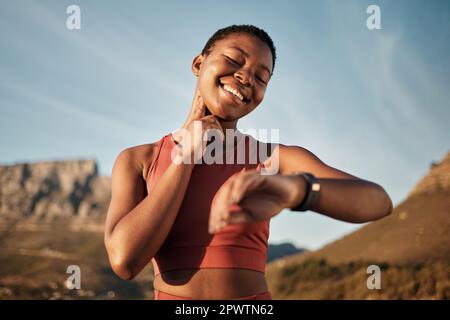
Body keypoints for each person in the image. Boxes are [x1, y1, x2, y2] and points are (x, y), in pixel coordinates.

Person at [104, 25, 393, 300]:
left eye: (261, 77)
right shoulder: (139, 159)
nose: (246, 78)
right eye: (233, 59)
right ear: (198, 64)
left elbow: (378, 202)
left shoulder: (272, 157)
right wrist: (186, 157)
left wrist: (297, 190)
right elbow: (125, 261)